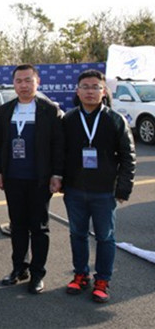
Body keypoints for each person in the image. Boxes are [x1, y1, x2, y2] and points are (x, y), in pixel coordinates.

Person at [62, 69, 135, 303]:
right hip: (74, 190)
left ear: (104, 92)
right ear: (77, 91)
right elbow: (60, 153)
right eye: (85, 87)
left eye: (96, 87)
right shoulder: (69, 119)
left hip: (104, 191)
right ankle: (80, 274)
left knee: (105, 237)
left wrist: (123, 188)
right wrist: (59, 179)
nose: (90, 91)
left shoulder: (115, 119)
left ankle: (102, 280)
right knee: (77, 234)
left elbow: (128, 156)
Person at [0, 64, 64, 294]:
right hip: (13, 178)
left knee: (39, 228)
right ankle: (19, 268)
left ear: (37, 82)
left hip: (39, 180)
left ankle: (37, 273)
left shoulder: (49, 110)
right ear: (13, 84)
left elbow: (58, 146)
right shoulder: (5, 110)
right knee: (18, 226)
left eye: (28, 80)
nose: (23, 85)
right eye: (19, 81)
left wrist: (57, 174)